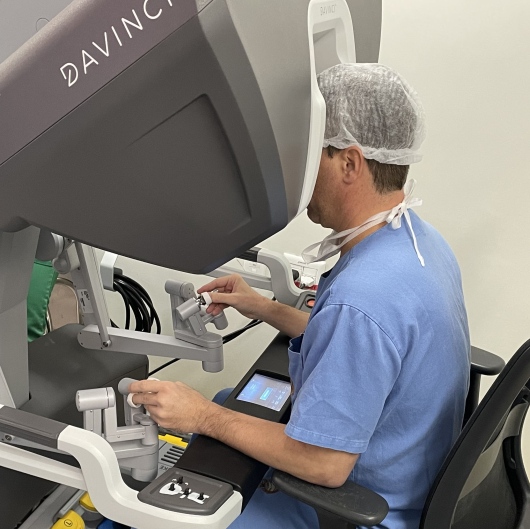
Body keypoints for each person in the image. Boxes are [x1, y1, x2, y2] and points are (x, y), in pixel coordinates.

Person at [130, 63, 470, 529]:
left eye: (310, 154)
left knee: (178, 499)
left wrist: (202, 415)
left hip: (358, 507)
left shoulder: (362, 299)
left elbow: (323, 464)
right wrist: (263, 307)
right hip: (408, 472)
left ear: (349, 163)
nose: (297, 170)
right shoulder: (416, 240)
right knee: (234, 398)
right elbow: (370, 347)